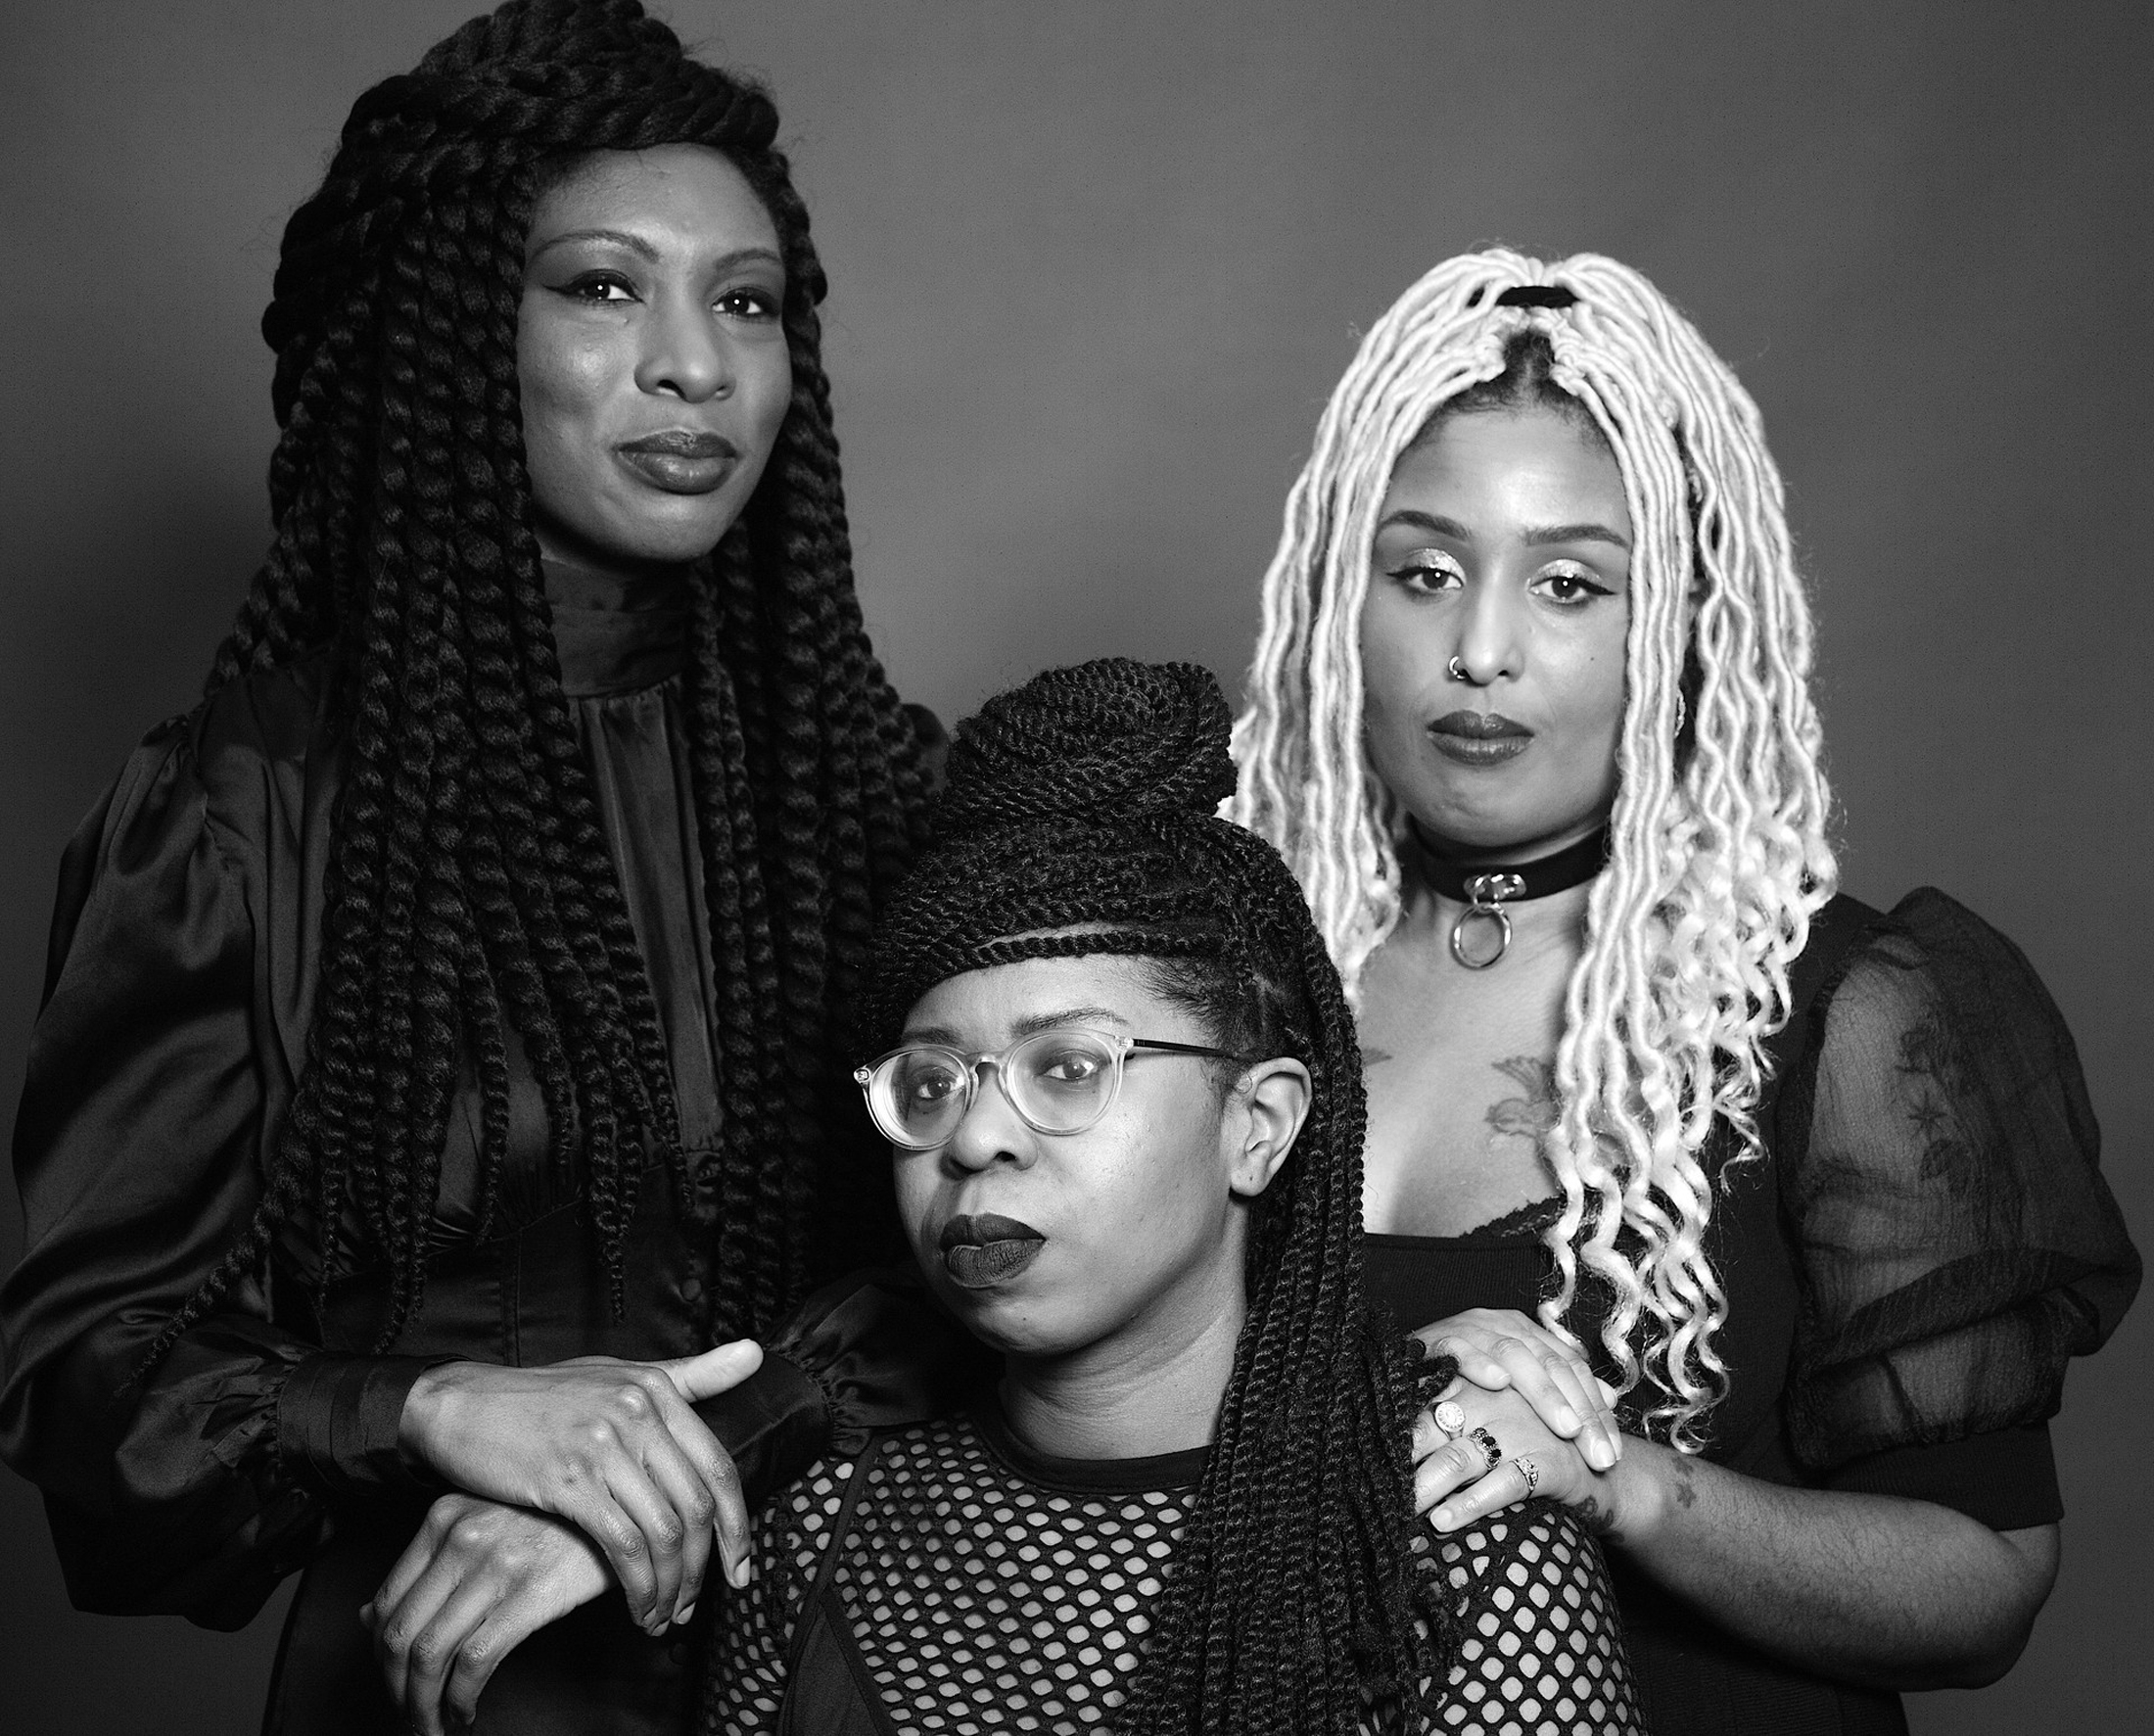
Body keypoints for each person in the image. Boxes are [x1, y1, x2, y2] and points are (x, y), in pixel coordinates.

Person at [0, 4, 948, 1731]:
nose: (694, 364)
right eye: (603, 286)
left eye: (744, 302)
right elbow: (93, 1392)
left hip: (838, 1663)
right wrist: (432, 1408)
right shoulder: (245, 813)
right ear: (448, 333)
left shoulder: (870, 791)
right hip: (445, 1687)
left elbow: (1041, 1266)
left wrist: (711, 1444)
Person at [368, 657, 1645, 1734]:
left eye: (1069, 1068)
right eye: (930, 1084)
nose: (975, 1137)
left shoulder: (1458, 1543)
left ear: (1256, 1126)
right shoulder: (813, 1536)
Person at [1229, 250, 2142, 1734]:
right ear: (1345, 596)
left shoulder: (1843, 1008)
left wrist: (1619, 1482)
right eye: (1427, 572)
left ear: (1686, 624)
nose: (1480, 651)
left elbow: (1985, 1587)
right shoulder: (1232, 969)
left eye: (1570, 584)